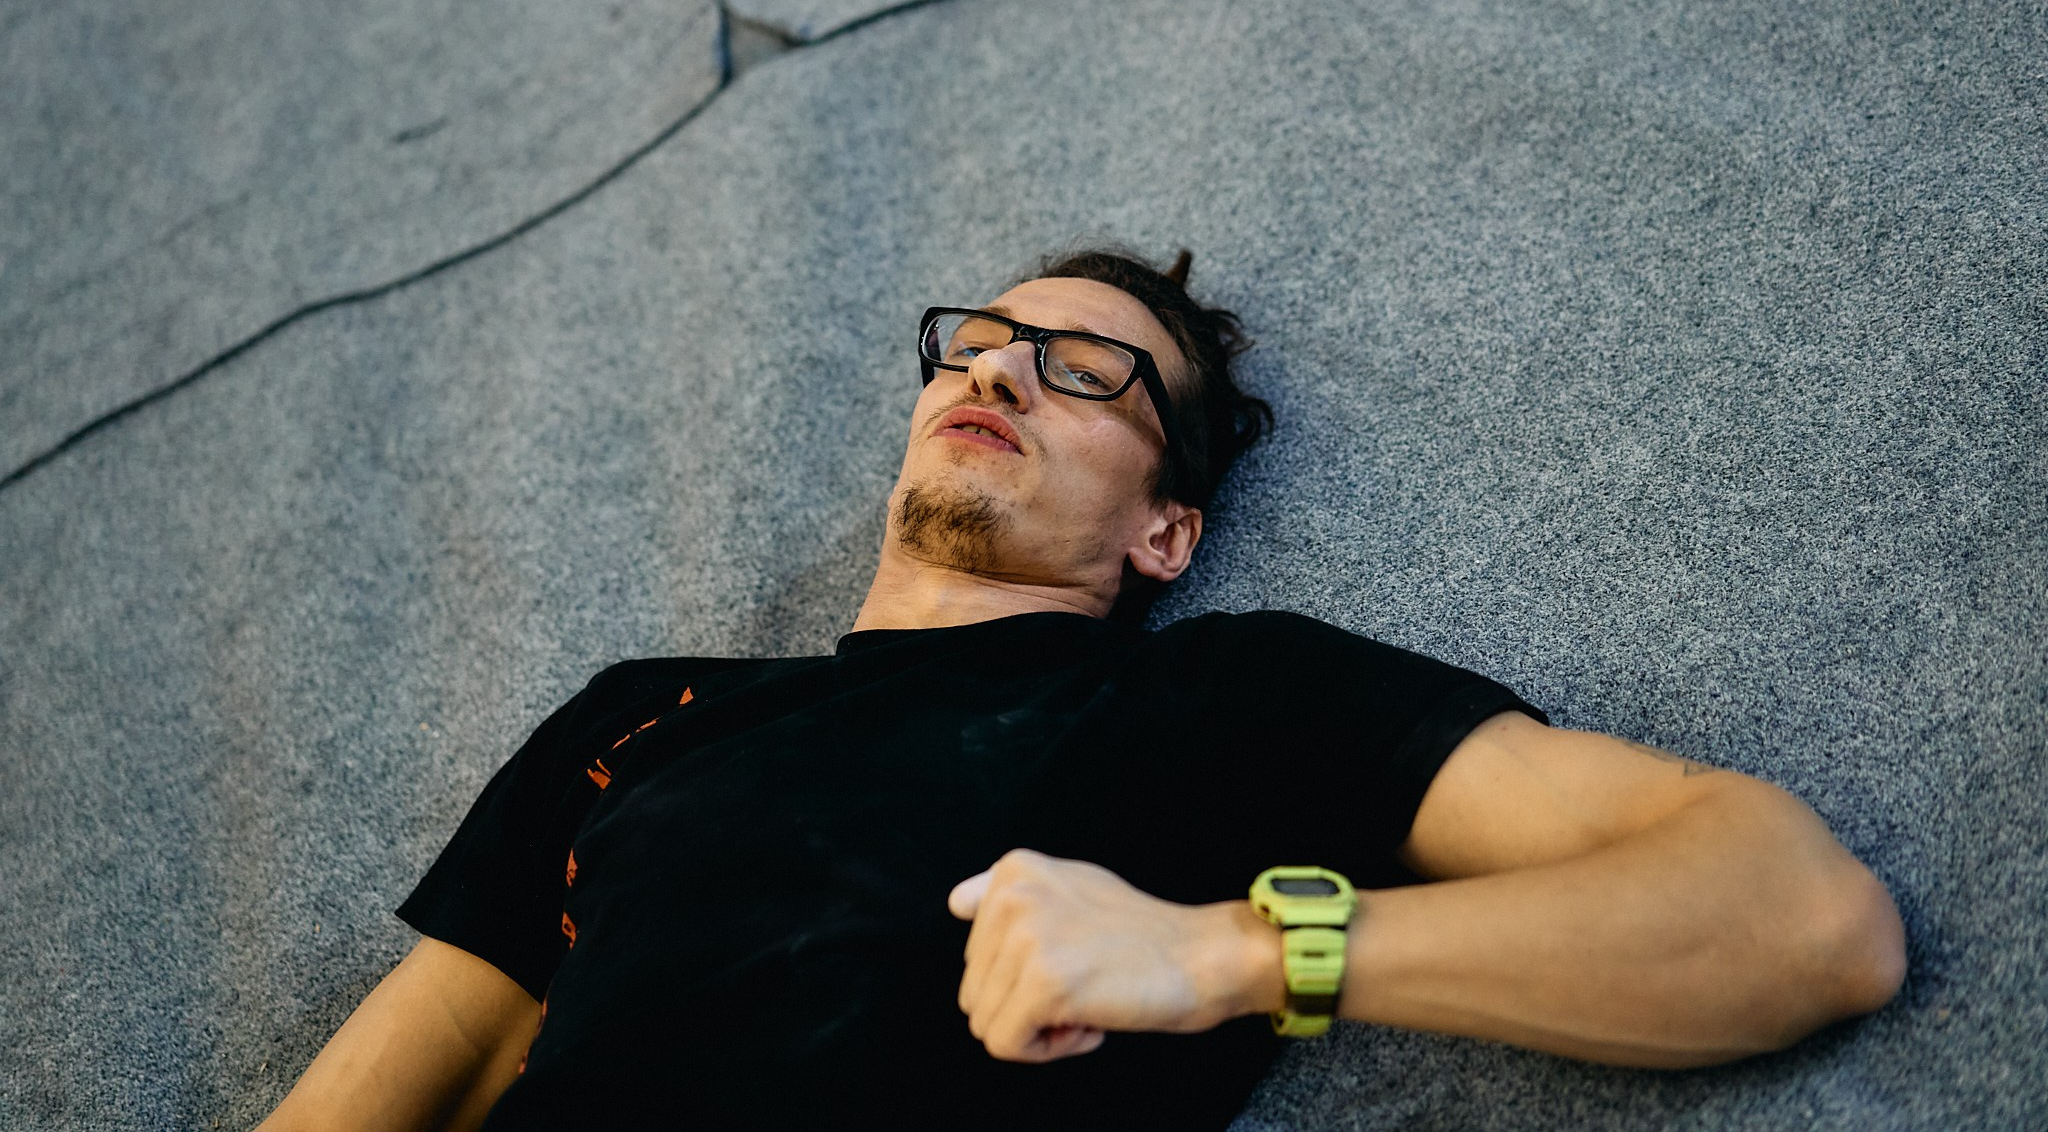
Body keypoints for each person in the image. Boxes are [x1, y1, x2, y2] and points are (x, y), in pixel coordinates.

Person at [258, 246, 1907, 1131]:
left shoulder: (1231, 698)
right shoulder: (645, 714)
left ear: (1164, 529)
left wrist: (1230, 953)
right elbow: (409, 1071)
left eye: (1085, 371)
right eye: (980, 342)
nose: (998, 367)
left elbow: (1799, 917)